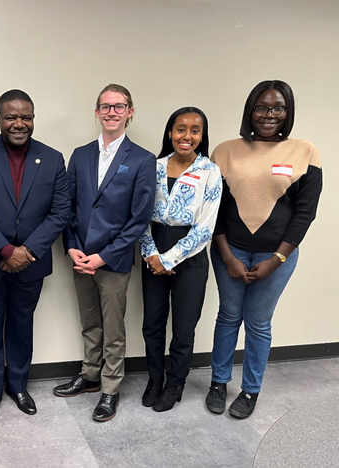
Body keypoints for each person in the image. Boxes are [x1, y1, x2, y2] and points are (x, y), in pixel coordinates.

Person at [205, 80, 322, 419]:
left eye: (278, 108)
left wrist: (277, 259)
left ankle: (250, 390)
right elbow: (215, 208)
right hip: (230, 250)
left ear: (287, 113)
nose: (269, 115)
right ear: (250, 110)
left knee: (258, 323)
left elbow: (305, 213)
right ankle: (218, 382)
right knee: (228, 316)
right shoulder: (225, 151)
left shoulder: (306, 151)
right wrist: (226, 255)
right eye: (262, 107)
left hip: (278, 256)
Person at [0, 89, 70, 427]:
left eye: (26, 117)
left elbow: (60, 211)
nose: (19, 123)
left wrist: (28, 251)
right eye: (11, 116)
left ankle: (18, 386)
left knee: (22, 326)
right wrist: (6, 251)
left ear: (33, 119)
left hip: (31, 264)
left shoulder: (52, 158)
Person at [54, 84, 156, 422]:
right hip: (80, 256)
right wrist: (71, 246)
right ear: (97, 113)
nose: (112, 112)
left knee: (113, 327)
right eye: (106, 106)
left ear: (130, 112)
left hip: (113, 260)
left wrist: (105, 255)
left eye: (119, 106)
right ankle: (89, 375)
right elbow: (66, 206)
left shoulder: (142, 159)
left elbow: (139, 218)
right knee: (89, 321)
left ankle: (110, 389)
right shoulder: (80, 155)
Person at [138, 107, 222, 412]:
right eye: (180, 129)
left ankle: (175, 385)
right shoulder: (153, 167)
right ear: (170, 132)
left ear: (202, 136)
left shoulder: (209, 171)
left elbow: (205, 227)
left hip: (191, 256)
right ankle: (154, 379)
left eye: (195, 130)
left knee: (184, 329)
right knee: (152, 324)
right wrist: (150, 254)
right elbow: (139, 216)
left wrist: (170, 259)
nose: (187, 136)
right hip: (153, 252)